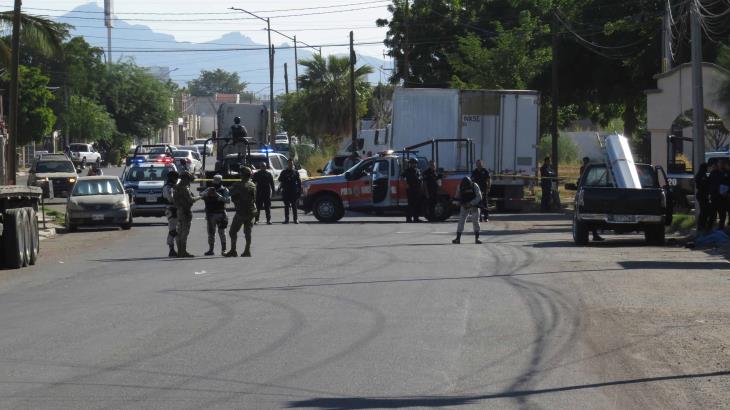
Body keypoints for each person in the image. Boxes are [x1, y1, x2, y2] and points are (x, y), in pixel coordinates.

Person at [225, 167, 257, 257]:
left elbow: (229, 193)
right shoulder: (253, 185)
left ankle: (233, 250)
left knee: (232, 232)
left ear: (242, 175)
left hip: (241, 212)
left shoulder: (238, 185)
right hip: (251, 211)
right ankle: (247, 250)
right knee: (248, 232)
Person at [202, 174, 230, 256]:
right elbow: (201, 195)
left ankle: (224, 250)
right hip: (211, 214)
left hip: (221, 213)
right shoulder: (209, 189)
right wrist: (208, 194)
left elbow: (228, 201)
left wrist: (217, 195)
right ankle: (211, 250)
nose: (215, 184)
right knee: (211, 233)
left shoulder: (224, 190)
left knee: (222, 232)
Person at [173, 171, 198, 258]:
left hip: (179, 211)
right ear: (186, 179)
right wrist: (201, 196)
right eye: (189, 179)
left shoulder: (176, 187)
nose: (189, 181)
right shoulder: (184, 188)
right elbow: (191, 200)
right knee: (184, 233)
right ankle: (183, 251)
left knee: (179, 232)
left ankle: (180, 251)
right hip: (185, 211)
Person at [579, 157, 604, 241]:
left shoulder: (590, 168)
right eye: (585, 161)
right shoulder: (586, 169)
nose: (585, 163)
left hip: (592, 189)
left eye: (586, 161)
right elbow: (582, 179)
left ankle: (595, 234)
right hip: (587, 190)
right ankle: (594, 234)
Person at [452, 177, 483, 244]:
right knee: (461, 220)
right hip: (464, 205)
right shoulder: (459, 186)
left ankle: (477, 239)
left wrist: (471, 203)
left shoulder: (475, 185)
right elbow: (457, 196)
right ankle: (458, 238)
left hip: (474, 205)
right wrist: (457, 203)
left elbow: (479, 197)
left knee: (475, 221)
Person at [162, 170, 180, 257]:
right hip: (171, 209)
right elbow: (171, 199)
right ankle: (171, 249)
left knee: (177, 230)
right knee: (172, 230)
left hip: (176, 209)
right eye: (176, 178)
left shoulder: (174, 186)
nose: (177, 180)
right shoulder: (168, 187)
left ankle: (178, 248)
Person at [279, 159, 302, 224]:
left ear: (293, 164)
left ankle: (295, 219)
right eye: (289, 164)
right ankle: (287, 219)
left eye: (291, 164)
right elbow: (280, 179)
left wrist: (299, 190)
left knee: (294, 205)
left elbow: (299, 182)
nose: (290, 165)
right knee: (286, 206)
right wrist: (285, 178)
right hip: (286, 191)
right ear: (287, 164)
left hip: (293, 191)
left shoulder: (295, 172)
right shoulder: (284, 172)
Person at [402, 158, 423, 223]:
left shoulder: (418, 170)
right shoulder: (407, 170)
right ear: (410, 164)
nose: (413, 164)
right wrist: (406, 184)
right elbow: (402, 177)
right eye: (412, 163)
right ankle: (408, 218)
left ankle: (416, 218)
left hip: (417, 189)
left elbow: (421, 178)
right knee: (410, 205)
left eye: (415, 163)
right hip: (410, 189)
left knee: (417, 204)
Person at [709, 159, 726, 230]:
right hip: (718, 197)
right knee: (719, 215)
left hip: (717, 197)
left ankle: (712, 228)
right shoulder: (717, 174)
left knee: (717, 215)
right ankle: (717, 228)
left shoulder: (714, 174)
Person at [695, 162, 712, 232]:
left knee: (705, 211)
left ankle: (702, 225)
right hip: (702, 195)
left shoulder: (702, 174)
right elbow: (702, 185)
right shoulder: (701, 175)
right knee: (704, 211)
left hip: (703, 195)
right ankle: (701, 226)